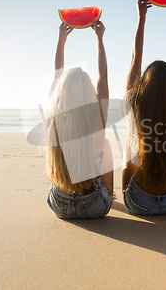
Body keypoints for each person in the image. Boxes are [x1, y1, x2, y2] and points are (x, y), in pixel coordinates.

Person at [121, 0, 166, 215]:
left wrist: (141, 18)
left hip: (138, 202)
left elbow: (134, 61)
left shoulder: (132, 106)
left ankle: (131, 191)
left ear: (142, 87)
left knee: (128, 153)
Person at [45, 20, 113, 219]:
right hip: (94, 206)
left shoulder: (53, 116)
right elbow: (103, 77)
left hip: (59, 204)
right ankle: (109, 194)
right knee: (106, 145)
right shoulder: (97, 119)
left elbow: (57, 75)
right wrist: (100, 39)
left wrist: (61, 40)